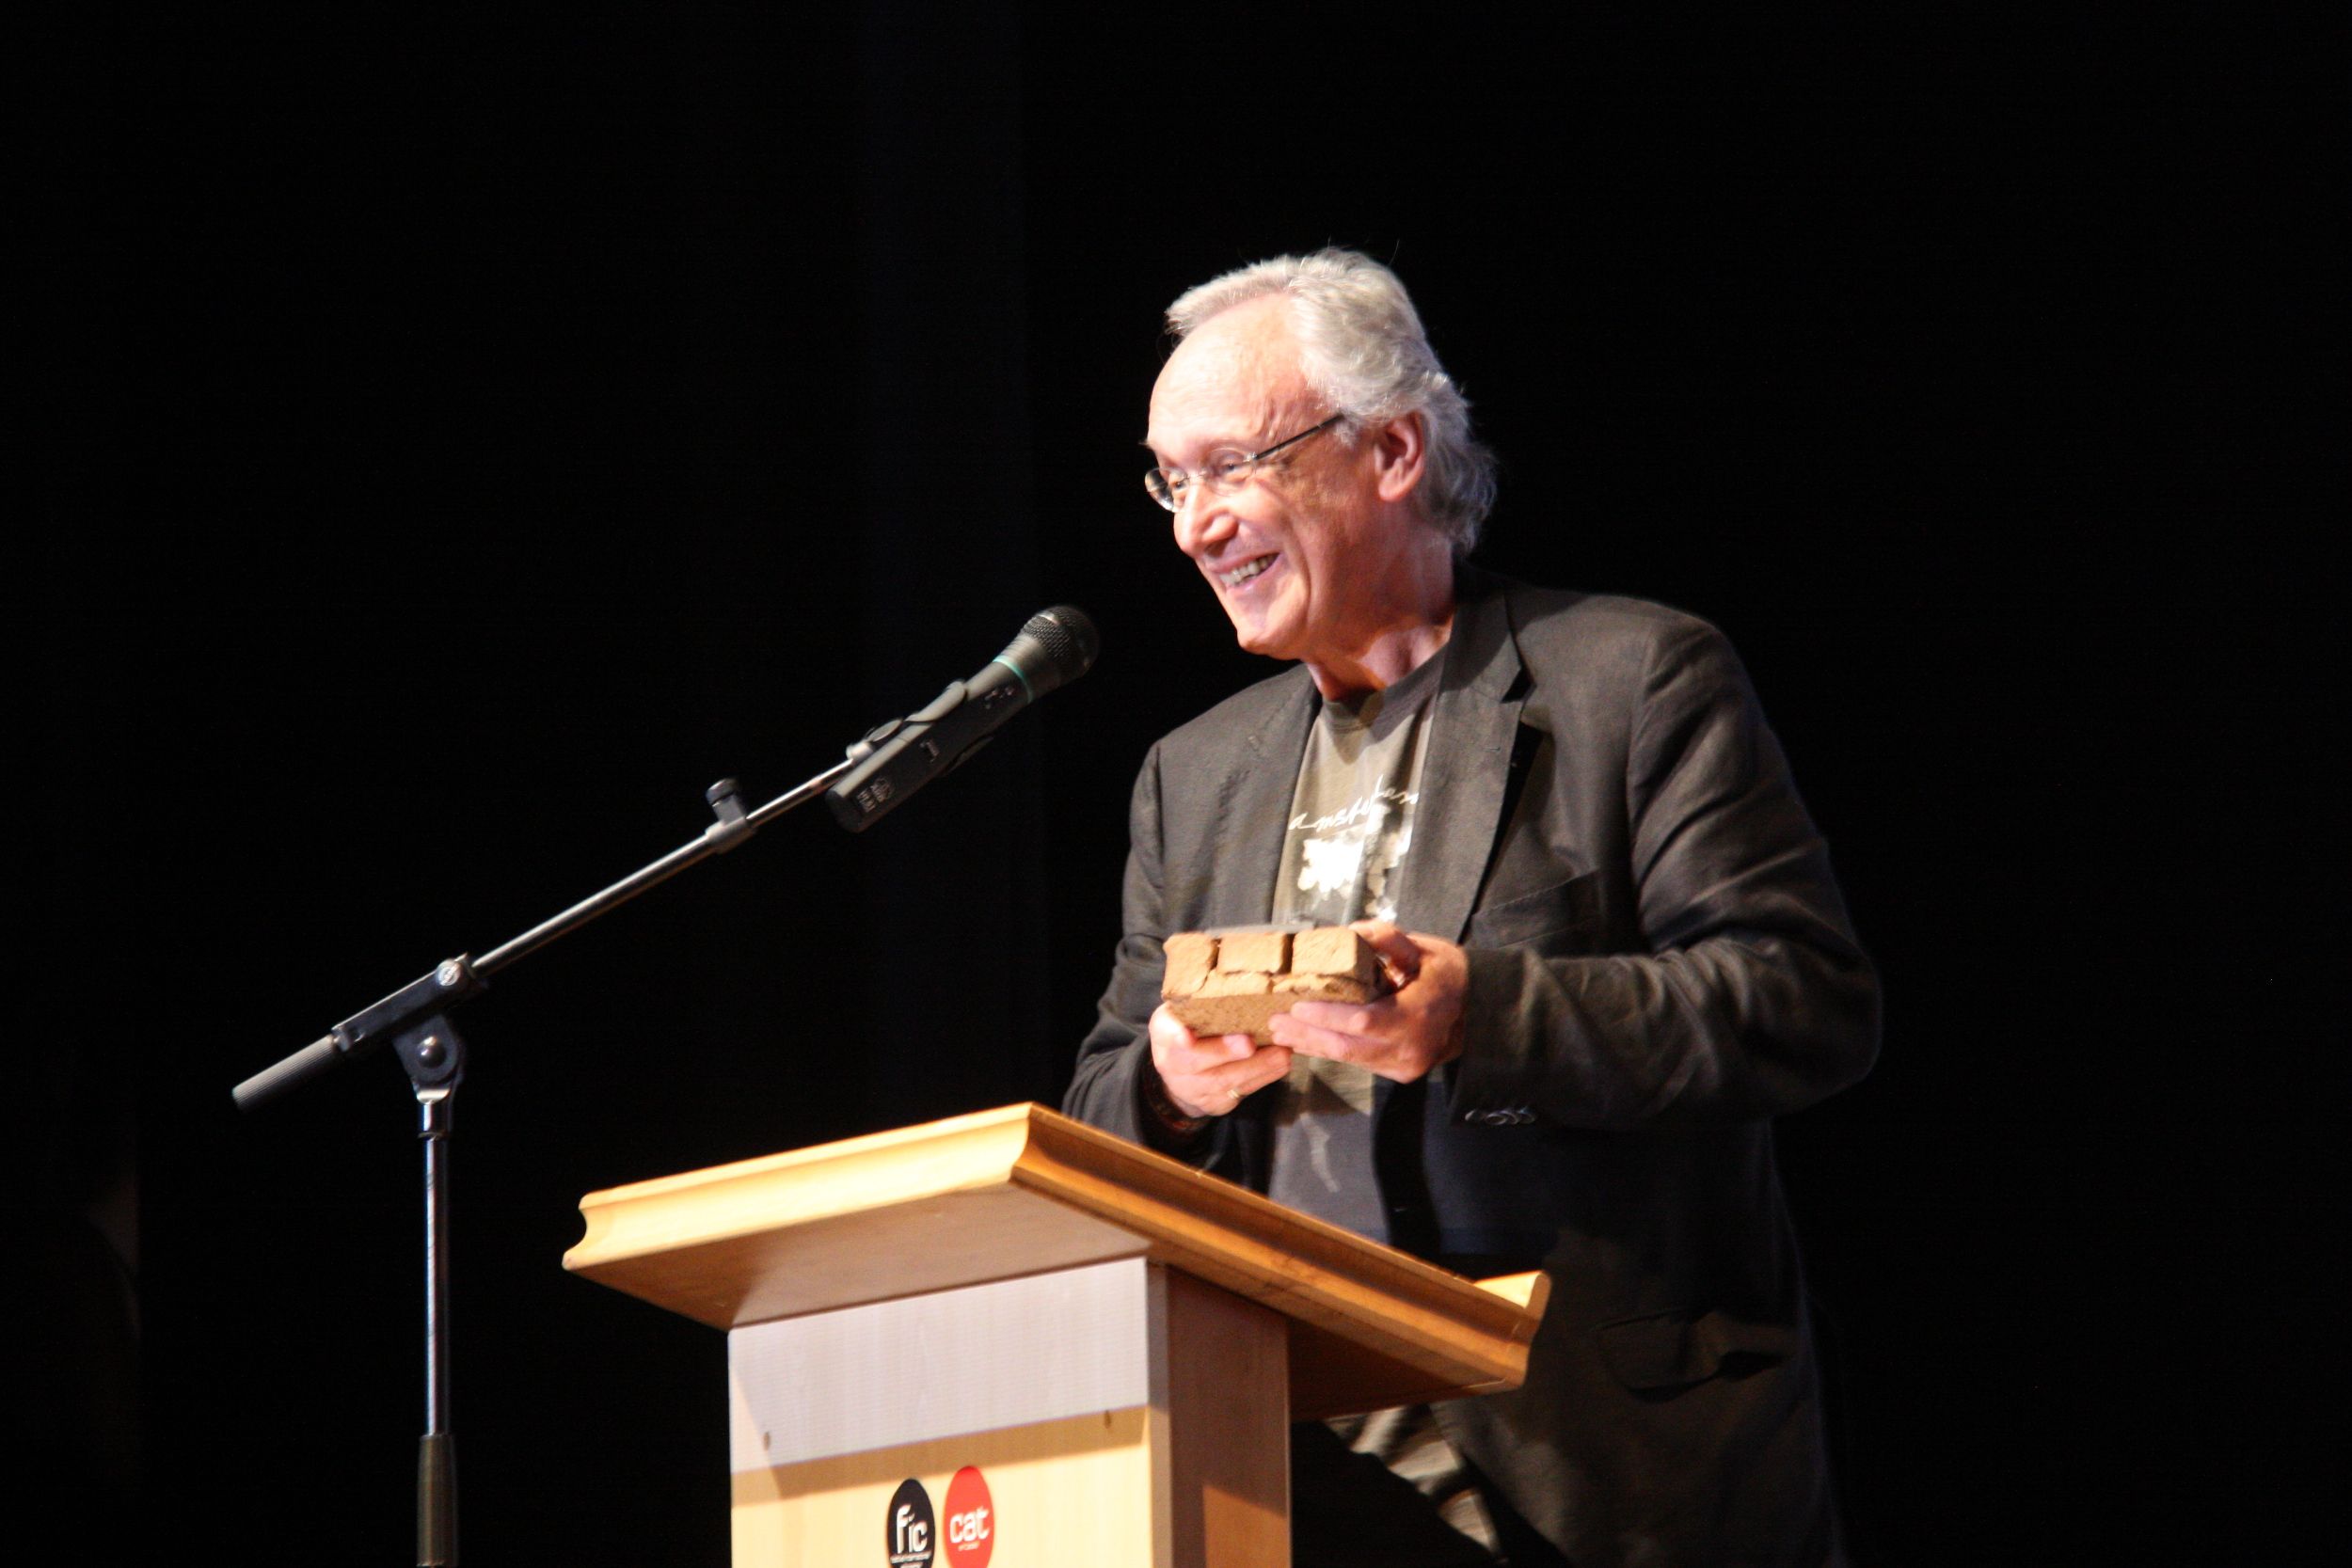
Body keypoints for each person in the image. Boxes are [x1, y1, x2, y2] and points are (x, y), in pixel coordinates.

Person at [1062, 249, 1880, 1567]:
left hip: (1593, 1461)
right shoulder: (1194, 774)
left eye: (1232, 467)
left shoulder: (1632, 682)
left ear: (1391, 451)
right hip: (1283, 1458)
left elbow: (1801, 1002)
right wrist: (1168, 1089)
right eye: (1172, 480)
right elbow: (1103, 1097)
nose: (1193, 526)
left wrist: (1477, 1013)